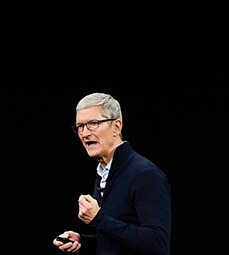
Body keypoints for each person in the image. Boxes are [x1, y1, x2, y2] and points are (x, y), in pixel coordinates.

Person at [53, 93, 171, 255]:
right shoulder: (104, 173)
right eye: (80, 126)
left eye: (93, 123)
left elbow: (158, 244)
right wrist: (82, 241)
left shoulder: (145, 174)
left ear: (116, 126)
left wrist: (99, 219)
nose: (85, 133)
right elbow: (115, 242)